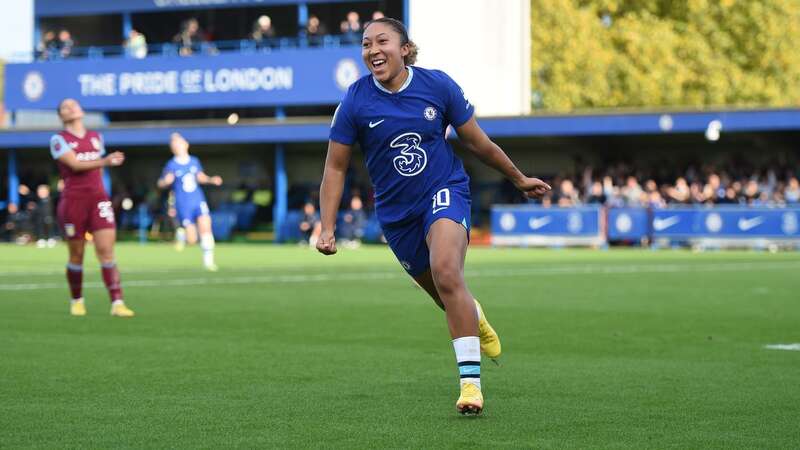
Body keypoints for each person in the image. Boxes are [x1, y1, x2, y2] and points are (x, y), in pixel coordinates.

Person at [317, 17, 550, 415]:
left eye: (382, 41)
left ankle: (470, 385)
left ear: (405, 48)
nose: (372, 49)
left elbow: (478, 142)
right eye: (365, 43)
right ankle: (474, 315)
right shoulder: (355, 101)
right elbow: (335, 168)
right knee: (445, 292)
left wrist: (518, 177)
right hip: (396, 215)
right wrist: (326, 227)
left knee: (446, 271)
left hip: (444, 191)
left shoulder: (437, 85)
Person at [50, 98, 135, 317]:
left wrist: (104, 163)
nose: (71, 108)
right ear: (61, 115)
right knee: (77, 254)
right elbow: (76, 165)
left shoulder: (96, 137)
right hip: (73, 201)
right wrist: (105, 161)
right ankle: (77, 300)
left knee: (106, 251)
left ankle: (117, 303)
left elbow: (95, 168)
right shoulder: (59, 140)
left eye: (74, 104)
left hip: (98, 199)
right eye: (65, 107)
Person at [157, 132, 222, 271]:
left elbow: (200, 177)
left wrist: (211, 179)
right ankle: (182, 234)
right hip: (183, 203)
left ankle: (209, 262)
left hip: (197, 199)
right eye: (174, 144)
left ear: (186, 144)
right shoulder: (171, 164)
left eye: (178, 143)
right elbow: (161, 183)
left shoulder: (194, 161)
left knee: (206, 226)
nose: (176, 146)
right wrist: (165, 182)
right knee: (192, 240)